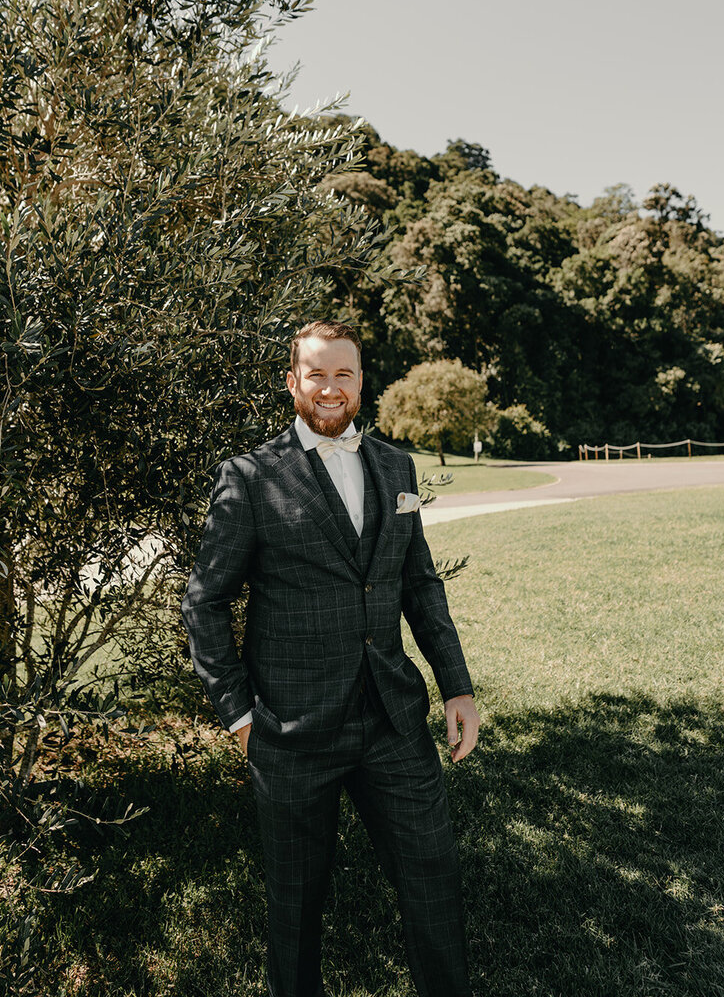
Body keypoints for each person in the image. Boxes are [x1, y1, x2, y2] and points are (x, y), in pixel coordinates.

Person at [182, 319, 480, 997]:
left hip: (392, 720)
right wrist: (237, 714)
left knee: (434, 881)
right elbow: (204, 602)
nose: (329, 387)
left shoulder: (396, 466)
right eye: (315, 373)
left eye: (343, 373)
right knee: (295, 909)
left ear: (360, 382)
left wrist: (455, 687)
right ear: (292, 382)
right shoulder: (250, 476)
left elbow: (418, 584)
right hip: (290, 731)